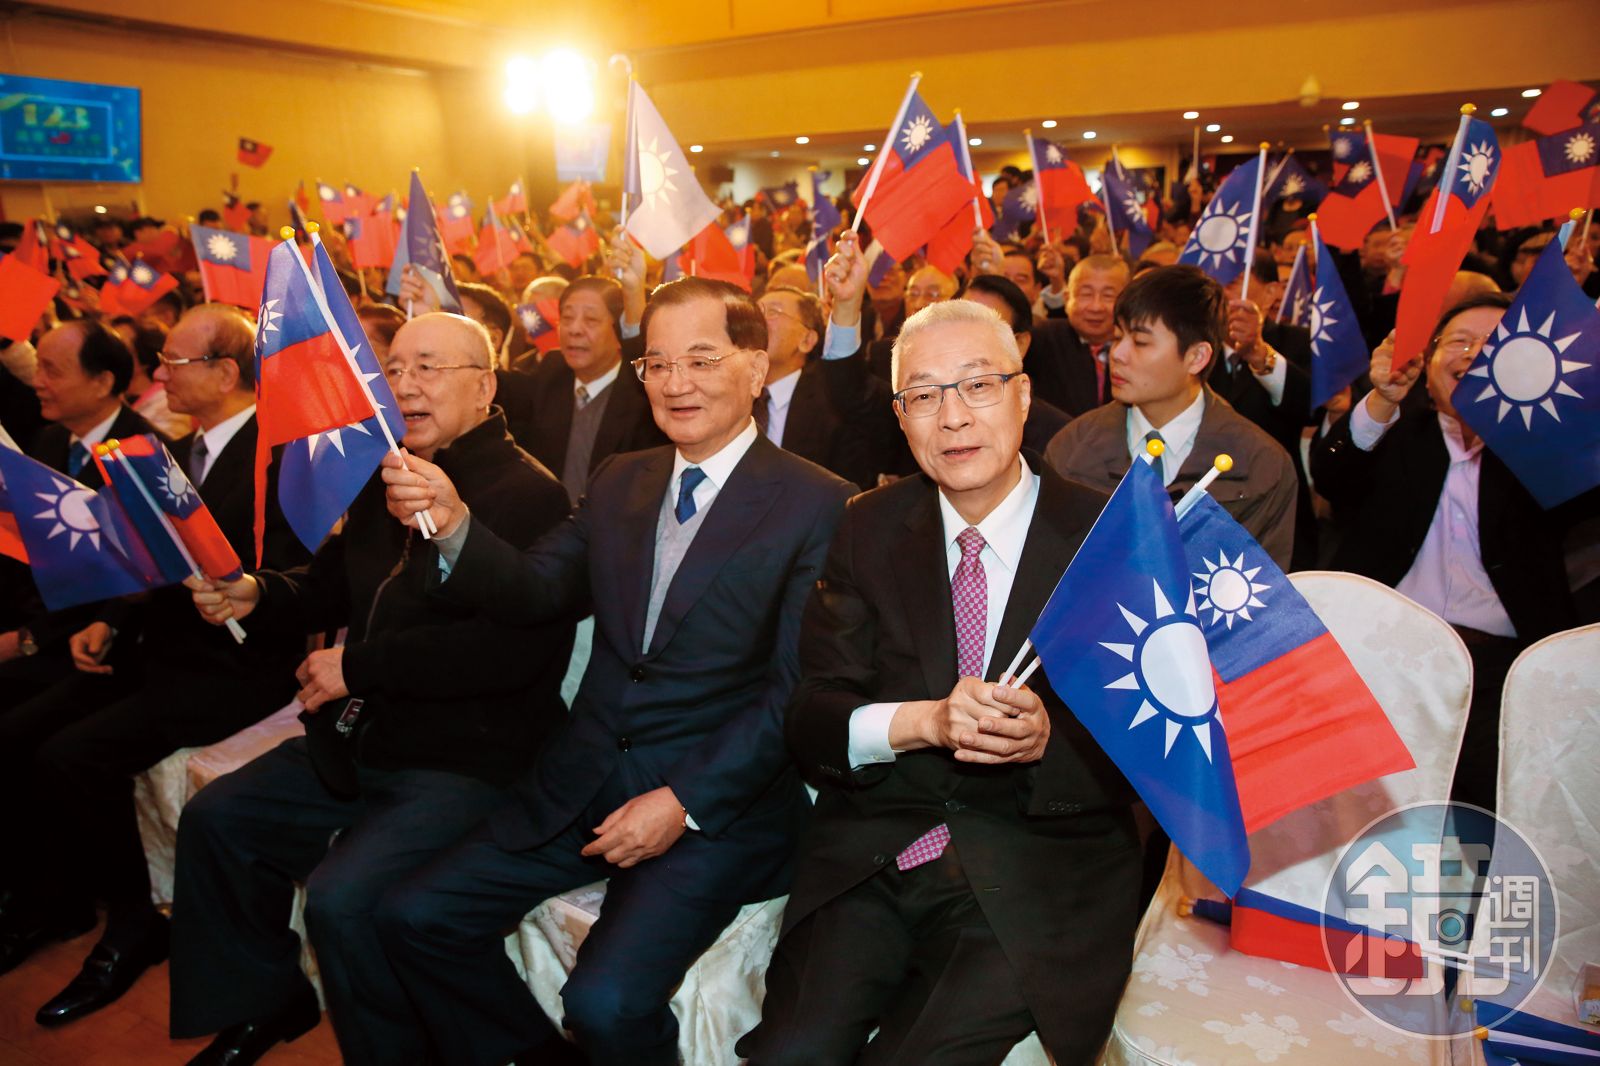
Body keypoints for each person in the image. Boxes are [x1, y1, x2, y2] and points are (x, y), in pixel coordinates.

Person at [374, 277, 855, 1066]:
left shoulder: (819, 503)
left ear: (755, 367)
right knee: (413, 917)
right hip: (582, 779)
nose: (675, 382)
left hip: (712, 809)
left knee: (604, 1003)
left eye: (700, 359)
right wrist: (455, 524)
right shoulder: (621, 478)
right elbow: (536, 590)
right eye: (657, 363)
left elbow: (794, 693)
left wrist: (684, 801)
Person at [739, 297, 1140, 1066]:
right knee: (790, 1054)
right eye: (923, 395)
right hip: (877, 849)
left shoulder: (1109, 538)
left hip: (1034, 865)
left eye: (978, 385)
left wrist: (1047, 741)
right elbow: (813, 715)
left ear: (1023, 394)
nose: (953, 417)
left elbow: (1158, 738)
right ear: (901, 416)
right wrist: (923, 722)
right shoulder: (867, 524)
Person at [170, 313, 574, 1066]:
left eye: (429, 368)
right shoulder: (386, 469)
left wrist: (359, 667)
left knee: (343, 899)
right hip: (365, 733)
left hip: (468, 756)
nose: (405, 385)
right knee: (219, 818)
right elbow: (332, 587)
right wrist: (258, 592)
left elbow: (507, 656)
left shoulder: (530, 496)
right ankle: (267, 1000)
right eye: (394, 369)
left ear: (484, 387)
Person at [1, 306, 310, 1024]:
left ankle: (134, 922)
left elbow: (293, 578)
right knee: (22, 733)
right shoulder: (177, 448)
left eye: (174, 361)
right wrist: (113, 617)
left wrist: (233, 591)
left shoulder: (278, 459)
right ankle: (54, 897)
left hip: (234, 666)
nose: (160, 374)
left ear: (225, 373)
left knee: (72, 755)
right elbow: (153, 559)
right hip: (160, 647)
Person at [1311, 296, 1595, 811]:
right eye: (1461, 341)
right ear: (1428, 361)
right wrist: (1381, 400)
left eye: (1496, 343)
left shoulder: (1541, 453)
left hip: (1498, 672)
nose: (1476, 352)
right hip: (1381, 653)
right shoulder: (1396, 431)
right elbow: (1332, 476)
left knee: (1498, 814)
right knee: (1348, 807)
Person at [1045, 264, 1298, 569]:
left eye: (1140, 342)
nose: (1117, 354)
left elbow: (1260, 588)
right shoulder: (1071, 449)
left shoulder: (1261, 463)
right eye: (1118, 336)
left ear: (1196, 357)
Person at [0, 321, 162, 701]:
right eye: (37, 367)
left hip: (84, 643)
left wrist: (26, 639)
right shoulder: (52, 438)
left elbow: (125, 584)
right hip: (28, 615)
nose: (37, 382)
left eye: (51, 371)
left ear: (102, 382)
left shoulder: (140, 455)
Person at [493, 246, 666, 502]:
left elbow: (641, 352)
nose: (574, 329)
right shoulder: (552, 371)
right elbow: (497, 385)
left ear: (617, 330)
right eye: (567, 318)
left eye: (591, 320)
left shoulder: (638, 390)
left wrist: (632, 291)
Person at [754, 284, 890, 487]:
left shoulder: (833, 397)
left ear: (807, 340)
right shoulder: (732, 395)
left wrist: (845, 305)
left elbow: (851, 378)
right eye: (755, 312)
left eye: (773, 311)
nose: (757, 321)